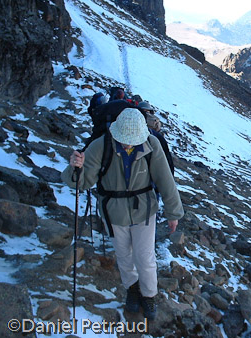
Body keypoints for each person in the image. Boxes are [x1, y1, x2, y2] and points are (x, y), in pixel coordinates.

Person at [61, 108, 184, 320]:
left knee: (144, 257)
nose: (128, 144)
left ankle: (149, 295)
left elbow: (165, 179)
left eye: (132, 140)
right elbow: (82, 182)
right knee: (124, 256)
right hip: (114, 212)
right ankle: (132, 289)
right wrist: (75, 168)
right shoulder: (101, 145)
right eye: (125, 139)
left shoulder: (151, 144)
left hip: (144, 210)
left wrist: (173, 212)